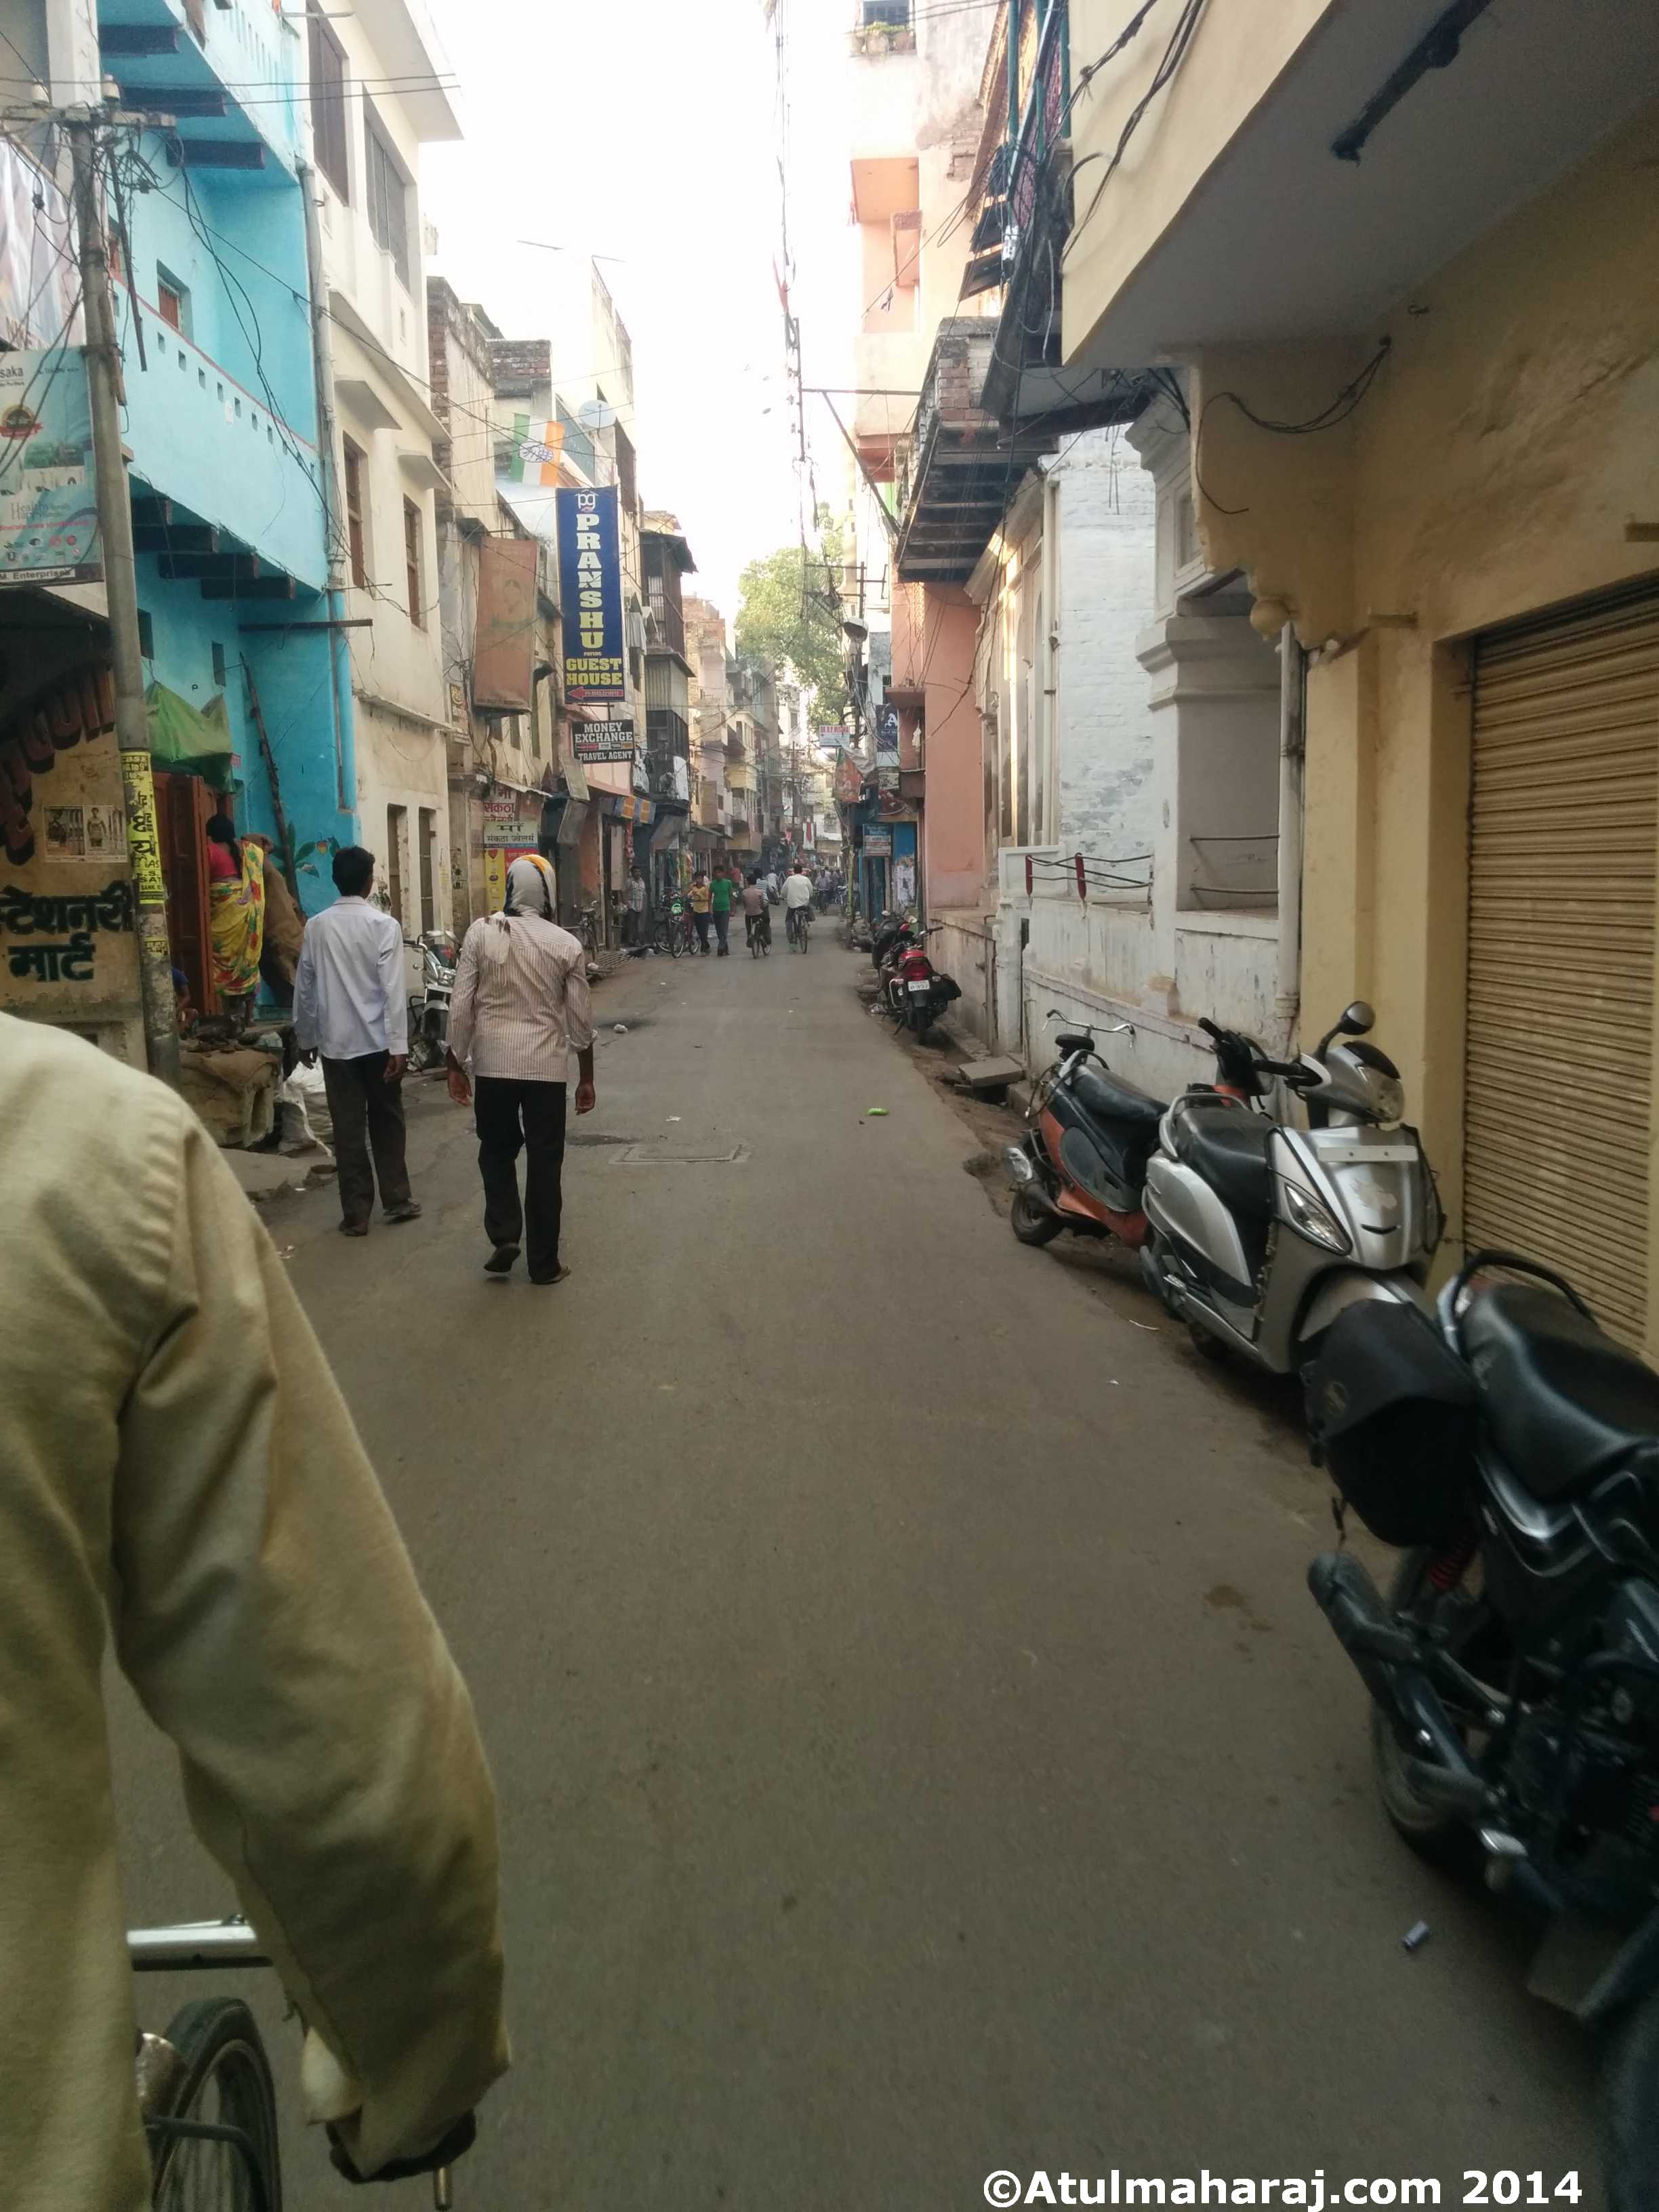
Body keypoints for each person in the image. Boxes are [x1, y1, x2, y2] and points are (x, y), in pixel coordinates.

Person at [0, 1012, 509, 2211]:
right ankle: (430, 1210)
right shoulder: (83, 1151)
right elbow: (348, 1748)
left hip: (404, 1054)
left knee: (442, 1131)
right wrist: (409, 2071)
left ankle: (380, 1204)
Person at [445, 853, 596, 1284]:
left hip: (493, 1066)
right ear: (548, 893)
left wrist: (454, 1061)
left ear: (510, 888)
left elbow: (461, 1004)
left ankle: (505, 1232)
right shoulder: (565, 944)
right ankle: (544, 1264)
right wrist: (585, 1077)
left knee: (496, 1151)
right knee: (546, 1164)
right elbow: (580, 1021)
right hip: (546, 1072)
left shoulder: (481, 933)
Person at [293, 845, 421, 1237]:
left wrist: (306, 1036)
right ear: (369, 882)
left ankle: (356, 1213)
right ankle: (397, 1199)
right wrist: (399, 1046)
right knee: (387, 1121)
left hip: (336, 1044)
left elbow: (306, 986)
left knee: (347, 1128)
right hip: (380, 1043)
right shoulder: (384, 926)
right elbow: (392, 990)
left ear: (336, 880)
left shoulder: (317, 926)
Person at [205, 811, 266, 1022]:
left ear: (210, 834)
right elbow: (269, 848)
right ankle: (248, 1015)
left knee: (217, 956)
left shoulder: (209, 852)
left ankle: (223, 1015)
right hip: (247, 911)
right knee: (247, 959)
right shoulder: (249, 850)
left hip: (225, 912)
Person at [783, 859, 814, 947]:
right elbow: (811, 891)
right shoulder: (806, 879)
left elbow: (783, 892)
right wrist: (809, 896)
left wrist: (783, 896)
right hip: (804, 903)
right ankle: (807, 922)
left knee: (788, 920)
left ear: (794, 871)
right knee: (807, 908)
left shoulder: (790, 879)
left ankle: (790, 938)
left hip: (792, 905)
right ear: (801, 871)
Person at [741, 869, 770, 953]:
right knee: (766, 920)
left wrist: (747, 908)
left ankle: (749, 934)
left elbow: (744, 904)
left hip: (749, 913)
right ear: (755, 882)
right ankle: (763, 936)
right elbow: (761, 904)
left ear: (748, 882)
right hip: (758, 912)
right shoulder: (759, 892)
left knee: (748, 922)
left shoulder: (744, 892)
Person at [709, 861, 734, 955]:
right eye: (716, 872)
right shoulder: (712, 884)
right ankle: (725, 946)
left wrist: (732, 909)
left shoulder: (728, 883)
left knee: (724, 929)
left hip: (726, 909)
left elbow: (731, 896)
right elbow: (709, 898)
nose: (718, 874)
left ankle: (720, 947)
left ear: (723, 873)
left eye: (720, 872)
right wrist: (710, 910)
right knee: (719, 930)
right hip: (716, 909)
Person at [687, 867, 712, 954]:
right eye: (697, 878)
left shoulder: (706, 888)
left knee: (704, 931)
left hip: (705, 911)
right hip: (696, 911)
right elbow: (686, 893)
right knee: (699, 930)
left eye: (700, 878)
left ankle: (703, 949)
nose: (698, 880)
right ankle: (707, 945)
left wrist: (710, 910)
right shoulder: (693, 887)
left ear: (702, 879)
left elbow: (710, 899)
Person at [623, 862, 647, 947]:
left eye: (639, 872)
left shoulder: (642, 882)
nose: (638, 873)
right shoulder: (629, 881)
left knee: (637, 924)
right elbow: (623, 892)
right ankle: (630, 940)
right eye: (636, 872)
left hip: (640, 906)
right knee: (631, 924)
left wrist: (644, 905)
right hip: (631, 906)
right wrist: (626, 903)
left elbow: (644, 894)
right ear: (632, 873)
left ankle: (636, 940)